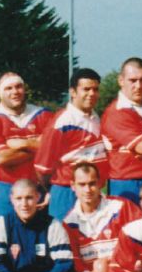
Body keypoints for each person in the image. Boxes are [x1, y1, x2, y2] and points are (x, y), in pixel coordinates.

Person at [60, 162, 141, 272]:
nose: (87, 190)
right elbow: (75, 261)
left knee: (101, 265)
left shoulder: (121, 206)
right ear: (73, 186)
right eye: (82, 184)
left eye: (92, 183)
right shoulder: (69, 222)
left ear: (101, 183)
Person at [0, 72, 53, 219]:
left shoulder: (45, 115)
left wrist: (23, 144)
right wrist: (38, 145)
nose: (15, 92)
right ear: (0, 93)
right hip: (6, 188)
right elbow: (1, 159)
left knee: (42, 233)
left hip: (38, 188)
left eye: (18, 86)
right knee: (3, 232)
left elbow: (55, 148)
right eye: (8, 88)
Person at [35, 67, 108, 220]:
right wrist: (54, 191)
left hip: (92, 191)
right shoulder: (62, 121)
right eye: (86, 89)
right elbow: (42, 168)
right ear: (73, 92)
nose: (91, 94)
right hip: (67, 193)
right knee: (64, 234)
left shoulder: (96, 118)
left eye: (95, 89)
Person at [100, 57, 142, 202]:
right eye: (133, 80)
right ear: (121, 80)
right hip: (126, 184)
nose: (139, 85)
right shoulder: (116, 112)